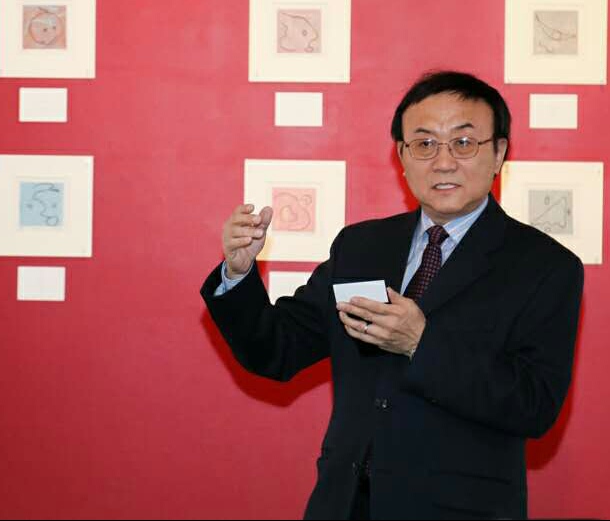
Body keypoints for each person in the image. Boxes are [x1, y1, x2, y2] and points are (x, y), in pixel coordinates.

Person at [201, 71, 584, 520]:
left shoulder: (544, 266)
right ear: (401, 156)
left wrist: (422, 343)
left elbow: (534, 406)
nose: (443, 162)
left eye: (463, 143)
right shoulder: (361, 246)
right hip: (345, 506)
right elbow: (276, 351)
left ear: (499, 153)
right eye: (424, 144)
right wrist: (238, 274)